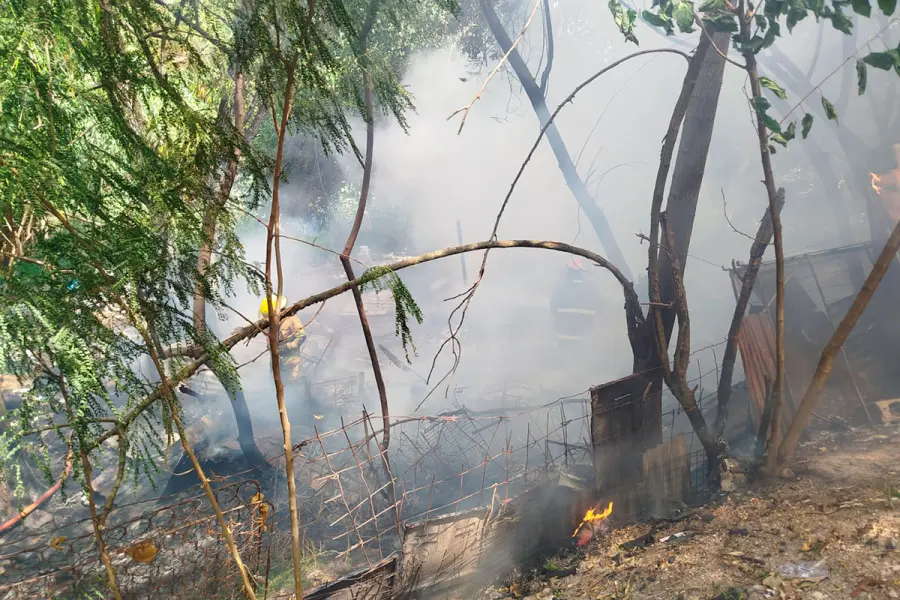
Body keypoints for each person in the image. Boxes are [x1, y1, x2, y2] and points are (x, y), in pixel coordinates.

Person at [258, 295, 308, 380]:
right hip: (276, 362)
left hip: (290, 363)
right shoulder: (271, 322)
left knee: (291, 386)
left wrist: (287, 347)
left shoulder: (292, 320)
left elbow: (302, 336)